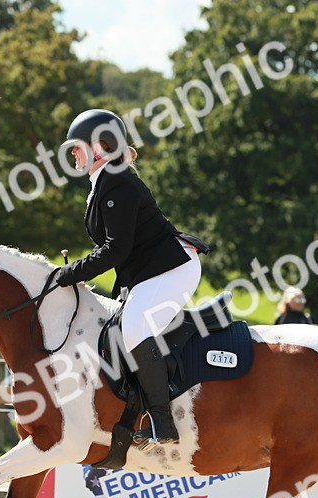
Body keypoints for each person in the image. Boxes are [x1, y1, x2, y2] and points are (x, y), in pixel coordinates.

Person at [52, 108, 208, 448]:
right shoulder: (105, 181)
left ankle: (163, 422)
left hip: (173, 269)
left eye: (76, 147)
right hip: (148, 272)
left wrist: (71, 273)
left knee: (134, 328)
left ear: (98, 148)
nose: (72, 154)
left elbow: (115, 250)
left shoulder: (117, 181)